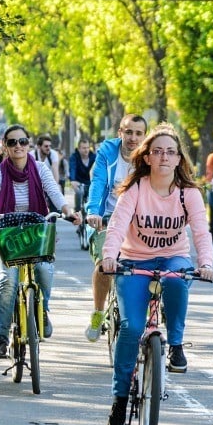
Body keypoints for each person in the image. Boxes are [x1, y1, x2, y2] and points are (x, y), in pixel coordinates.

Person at [101, 123, 213, 425]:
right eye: (157, 151)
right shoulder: (135, 189)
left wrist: (205, 263)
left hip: (173, 257)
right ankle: (120, 397)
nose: (164, 157)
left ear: (179, 159)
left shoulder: (188, 193)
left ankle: (175, 345)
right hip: (134, 261)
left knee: (178, 280)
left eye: (170, 152)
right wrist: (109, 257)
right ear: (147, 157)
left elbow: (201, 232)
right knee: (131, 327)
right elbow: (117, 225)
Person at [0, 125, 81, 358]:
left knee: (44, 269)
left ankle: (42, 311)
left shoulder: (41, 169)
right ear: (5, 146)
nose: (18, 146)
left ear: (29, 144)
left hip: (36, 231)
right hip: (7, 233)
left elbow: (55, 193)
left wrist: (68, 210)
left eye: (23, 141)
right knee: (9, 281)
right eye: (12, 142)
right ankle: (0, 338)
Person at [84, 114, 148, 341]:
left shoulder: (150, 156)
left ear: (144, 136)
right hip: (107, 218)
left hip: (141, 221)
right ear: (120, 133)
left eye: (138, 133)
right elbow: (98, 182)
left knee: (151, 267)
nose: (133, 138)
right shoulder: (107, 153)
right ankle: (99, 313)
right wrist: (93, 212)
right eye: (128, 132)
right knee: (105, 265)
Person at [68, 138, 96, 213]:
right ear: (79, 149)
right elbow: (72, 168)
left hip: (90, 182)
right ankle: (77, 211)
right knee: (79, 192)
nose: (86, 150)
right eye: (84, 148)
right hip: (78, 182)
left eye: (87, 147)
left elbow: (97, 170)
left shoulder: (94, 157)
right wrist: (73, 180)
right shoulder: (74, 157)